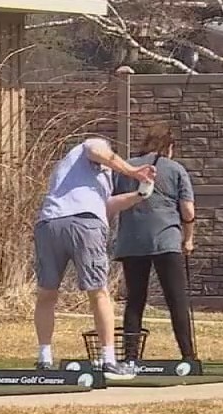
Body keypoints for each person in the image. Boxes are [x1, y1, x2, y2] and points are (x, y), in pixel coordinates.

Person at [33, 136, 158, 379]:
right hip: (83, 224)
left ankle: (44, 359)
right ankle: (108, 360)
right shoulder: (91, 145)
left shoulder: (81, 176)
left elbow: (107, 206)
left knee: (47, 293)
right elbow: (97, 149)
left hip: (49, 224)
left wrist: (139, 195)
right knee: (98, 292)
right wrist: (133, 172)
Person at [111, 123, 198, 363]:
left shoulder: (125, 168)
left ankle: (130, 356)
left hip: (131, 241)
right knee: (176, 299)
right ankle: (188, 356)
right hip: (166, 239)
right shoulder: (175, 169)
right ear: (169, 147)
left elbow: (113, 199)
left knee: (135, 299)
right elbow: (188, 210)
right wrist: (188, 239)